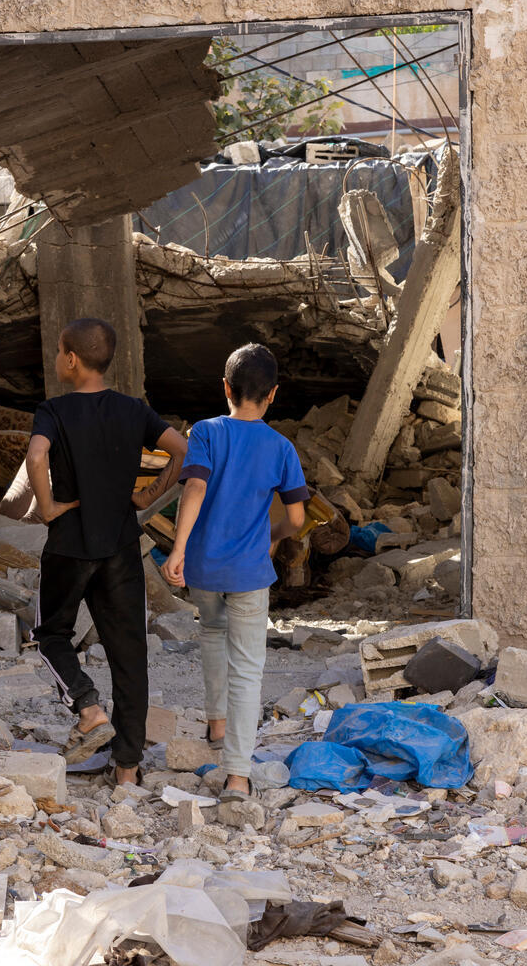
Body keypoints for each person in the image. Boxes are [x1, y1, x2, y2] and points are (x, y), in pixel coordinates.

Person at [26, 318, 187, 786]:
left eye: (59, 351)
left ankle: (88, 707)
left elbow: (36, 458)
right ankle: (128, 769)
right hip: (119, 544)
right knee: (128, 654)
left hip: (70, 545)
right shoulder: (134, 410)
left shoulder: (52, 411)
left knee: (51, 634)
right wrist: (147, 495)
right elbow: (181, 448)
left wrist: (49, 505)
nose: (58, 359)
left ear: (71, 360)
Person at [163, 343, 307, 800]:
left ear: (225, 388)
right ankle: (239, 776)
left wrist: (178, 549)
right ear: (273, 395)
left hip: (204, 568)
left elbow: (195, 488)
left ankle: (216, 724)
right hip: (250, 572)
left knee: (210, 633)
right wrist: (274, 534)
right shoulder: (281, 447)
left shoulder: (204, 432)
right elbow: (299, 519)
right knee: (248, 670)